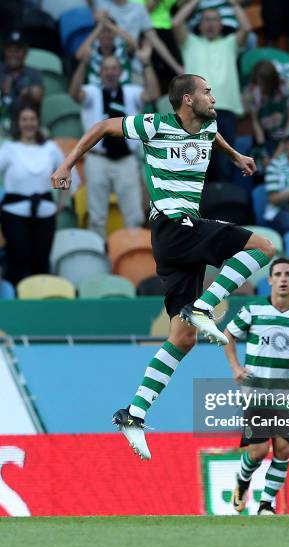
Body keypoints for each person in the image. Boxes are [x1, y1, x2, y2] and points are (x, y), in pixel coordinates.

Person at [51, 73, 275, 460]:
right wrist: (68, 165)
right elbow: (105, 126)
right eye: (206, 91)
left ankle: (133, 414)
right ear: (187, 99)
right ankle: (205, 306)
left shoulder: (209, 127)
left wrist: (235, 156)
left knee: (183, 338)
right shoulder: (154, 125)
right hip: (174, 225)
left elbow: (211, 138)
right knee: (264, 247)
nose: (213, 96)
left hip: (175, 243)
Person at [224, 257, 289, 516]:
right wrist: (235, 367)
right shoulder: (253, 310)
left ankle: (266, 504)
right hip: (256, 389)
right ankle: (242, 482)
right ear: (270, 281)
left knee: (283, 448)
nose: (283, 279)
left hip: (287, 392)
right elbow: (228, 336)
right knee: (258, 451)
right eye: (278, 274)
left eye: (288, 274)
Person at [69, 43, 160, 237]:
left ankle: (133, 262)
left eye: (114, 68)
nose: (110, 72)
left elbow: (153, 94)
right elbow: (74, 93)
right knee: (96, 217)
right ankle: (98, 262)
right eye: (106, 69)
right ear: (100, 72)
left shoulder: (131, 92)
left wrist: (146, 64)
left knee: (134, 215)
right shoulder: (92, 92)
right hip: (97, 158)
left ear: (120, 72)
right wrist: (83, 63)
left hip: (126, 160)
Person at [173, 0, 251, 180]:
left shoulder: (230, 43)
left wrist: (235, 5)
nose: (210, 23)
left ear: (221, 24)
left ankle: (222, 204)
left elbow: (246, 29)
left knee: (225, 164)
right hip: (195, 112)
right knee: (195, 165)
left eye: (214, 19)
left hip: (224, 110)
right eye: (206, 19)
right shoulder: (190, 42)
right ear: (199, 25)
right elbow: (176, 23)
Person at [0, 105, 73, 286]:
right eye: (24, 119)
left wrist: (62, 202)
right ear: (18, 123)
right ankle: (17, 302)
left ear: (38, 122)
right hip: (14, 212)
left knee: (41, 260)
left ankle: (40, 299)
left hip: (45, 212)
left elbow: (65, 173)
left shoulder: (50, 148)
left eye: (32, 119)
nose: (28, 124)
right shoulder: (9, 148)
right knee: (17, 259)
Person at [90, 0, 184, 75]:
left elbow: (155, 40)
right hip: (104, 63)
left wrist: (176, 67)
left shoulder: (138, 9)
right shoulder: (102, 6)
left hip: (132, 63)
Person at [243, 60, 289, 164]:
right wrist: (264, 152)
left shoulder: (287, 87)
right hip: (265, 136)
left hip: (285, 134)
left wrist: (282, 147)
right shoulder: (252, 91)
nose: (261, 86)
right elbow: (256, 123)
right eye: (258, 82)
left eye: (264, 83)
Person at [0, 32, 43, 136]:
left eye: (18, 51)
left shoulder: (33, 73)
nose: (13, 55)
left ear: (25, 53)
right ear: (4, 52)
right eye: (10, 51)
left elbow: (38, 95)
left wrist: (26, 92)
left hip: (26, 125)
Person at [75, 13, 137, 86]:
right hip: (97, 94)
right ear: (97, 34)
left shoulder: (122, 49)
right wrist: (99, 27)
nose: (106, 35)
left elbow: (135, 44)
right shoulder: (91, 51)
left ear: (114, 33)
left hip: (122, 93)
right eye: (102, 32)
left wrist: (108, 24)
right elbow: (78, 55)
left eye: (109, 31)